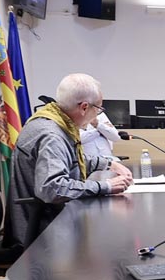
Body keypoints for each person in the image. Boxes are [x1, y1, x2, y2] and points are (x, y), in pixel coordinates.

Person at [9, 73, 133, 245]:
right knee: (114, 239)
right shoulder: (52, 135)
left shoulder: (55, 121)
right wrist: (105, 186)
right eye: (98, 109)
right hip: (47, 229)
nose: (98, 114)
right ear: (84, 107)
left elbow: (70, 159)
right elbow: (52, 188)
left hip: (50, 217)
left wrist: (108, 163)